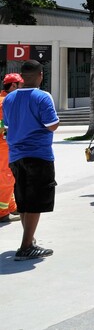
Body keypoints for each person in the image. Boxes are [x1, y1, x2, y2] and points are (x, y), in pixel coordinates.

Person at [3, 61, 59, 260]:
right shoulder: (42, 97)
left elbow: (8, 124)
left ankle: (30, 240)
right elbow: (52, 125)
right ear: (40, 75)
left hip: (16, 155)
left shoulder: (9, 98)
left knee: (24, 201)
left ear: (21, 76)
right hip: (38, 154)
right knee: (35, 201)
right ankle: (26, 246)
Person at [0, 73, 23, 223]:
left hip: (6, 145)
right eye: (21, 85)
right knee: (7, 178)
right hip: (4, 146)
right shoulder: (4, 102)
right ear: (13, 86)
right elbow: (2, 126)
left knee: (10, 177)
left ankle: (11, 206)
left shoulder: (4, 99)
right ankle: (2, 212)